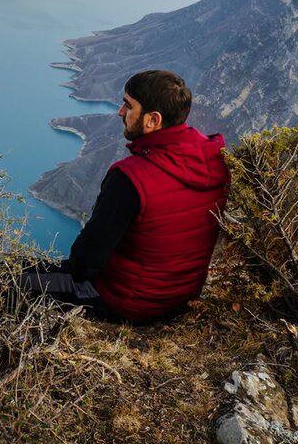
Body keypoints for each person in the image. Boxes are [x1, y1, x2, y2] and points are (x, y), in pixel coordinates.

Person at [17, 69, 230, 322]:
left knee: (13, 277)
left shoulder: (131, 178)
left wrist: (56, 271)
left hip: (129, 303)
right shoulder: (218, 160)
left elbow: (85, 262)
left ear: (153, 120)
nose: (120, 112)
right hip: (181, 296)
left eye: (128, 106)